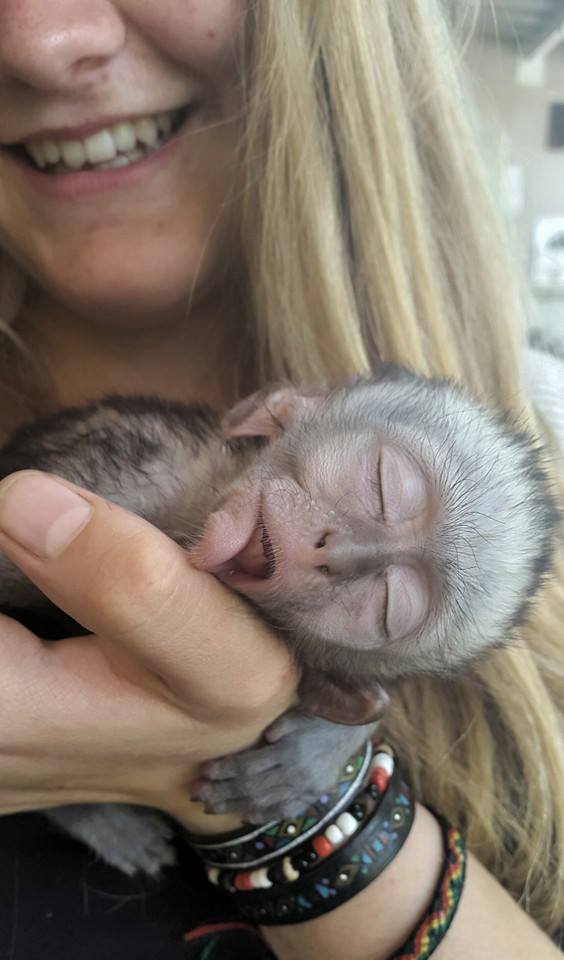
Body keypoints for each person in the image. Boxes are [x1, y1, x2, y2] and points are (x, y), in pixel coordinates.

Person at [0, 1, 562, 957]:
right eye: (382, 489)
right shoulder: (142, 469)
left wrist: (316, 803)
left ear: (349, 685)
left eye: (389, 607)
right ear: (279, 411)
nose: (42, 38)